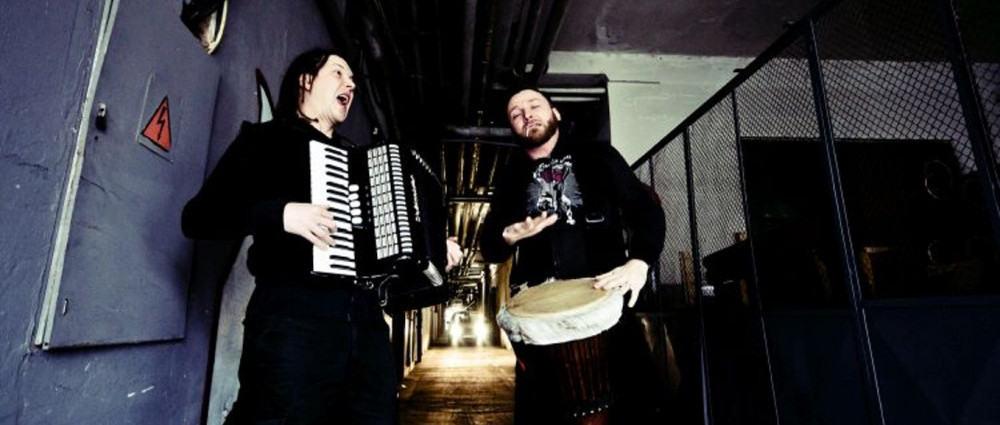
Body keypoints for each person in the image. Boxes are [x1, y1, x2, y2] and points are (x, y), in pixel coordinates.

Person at [181, 48, 462, 425]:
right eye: (338, 73)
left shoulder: (357, 159)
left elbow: (384, 251)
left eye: (353, 79)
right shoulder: (265, 139)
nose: (351, 84)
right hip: (294, 318)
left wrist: (432, 251)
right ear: (305, 81)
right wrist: (282, 214)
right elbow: (199, 218)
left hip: (366, 324)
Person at [480, 88, 667, 424]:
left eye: (534, 105)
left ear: (555, 113)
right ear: (513, 127)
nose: (527, 114)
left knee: (638, 406)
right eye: (516, 113)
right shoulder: (510, 177)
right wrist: (507, 236)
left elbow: (646, 212)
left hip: (604, 299)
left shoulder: (599, 157)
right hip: (538, 315)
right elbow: (490, 248)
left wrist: (640, 261)